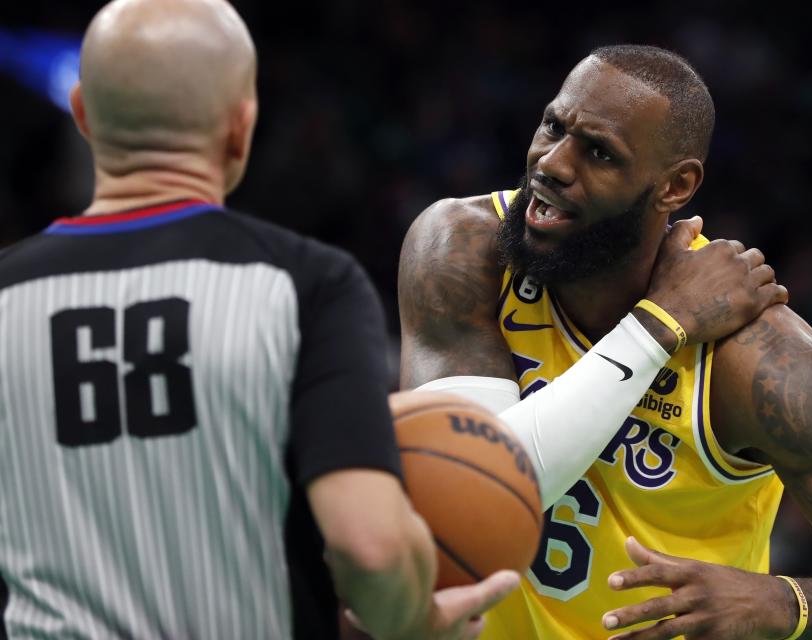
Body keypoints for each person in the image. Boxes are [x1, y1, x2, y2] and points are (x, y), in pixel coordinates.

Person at [398, 45, 812, 639]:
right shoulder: (463, 250)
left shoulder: (759, 364)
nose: (553, 164)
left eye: (599, 153)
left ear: (676, 186)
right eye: (553, 127)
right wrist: (659, 325)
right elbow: (471, 498)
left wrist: (784, 602)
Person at [0, 1, 520, 638]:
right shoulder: (309, 287)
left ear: (81, 114)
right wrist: (412, 616)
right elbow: (370, 546)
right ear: (242, 125)